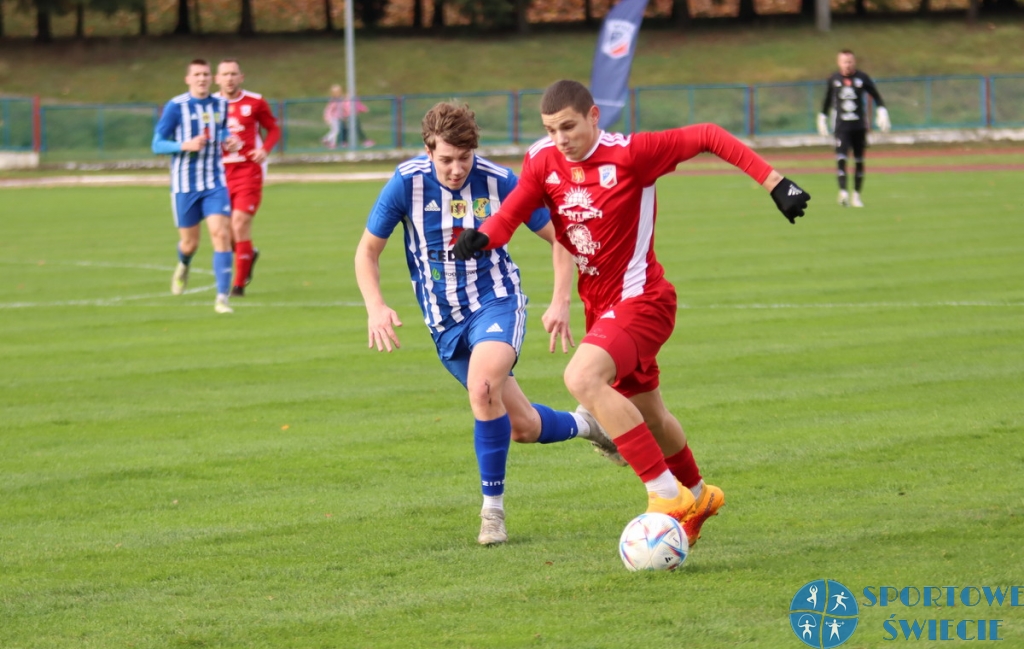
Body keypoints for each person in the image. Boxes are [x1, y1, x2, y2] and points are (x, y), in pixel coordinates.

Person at [453, 79, 811, 548]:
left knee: (582, 378)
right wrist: (484, 236)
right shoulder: (542, 159)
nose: (560, 138)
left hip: (643, 301)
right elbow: (513, 213)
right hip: (601, 308)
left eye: (568, 127)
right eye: (550, 129)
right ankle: (699, 495)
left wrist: (775, 183)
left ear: (594, 116)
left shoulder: (631, 155)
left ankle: (665, 494)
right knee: (652, 415)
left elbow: (707, 134)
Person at [354, 102, 624, 546]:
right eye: (446, 159)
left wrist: (561, 300)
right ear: (428, 150)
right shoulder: (406, 183)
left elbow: (562, 237)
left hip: (496, 301)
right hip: (444, 322)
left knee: (482, 388)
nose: (456, 169)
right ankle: (589, 425)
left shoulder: (499, 181)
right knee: (523, 427)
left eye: (464, 158)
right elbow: (367, 251)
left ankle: (492, 514)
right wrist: (376, 306)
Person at [152, 58, 241, 314]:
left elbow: (221, 131)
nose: (202, 79)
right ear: (188, 79)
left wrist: (230, 140)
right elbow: (157, 144)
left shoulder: (220, 104)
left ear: (211, 78)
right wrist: (184, 145)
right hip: (185, 185)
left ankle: (222, 298)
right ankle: (184, 264)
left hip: (214, 182)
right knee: (190, 244)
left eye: (205, 74)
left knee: (221, 235)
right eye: (197, 75)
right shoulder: (176, 106)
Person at [214, 58, 281, 298]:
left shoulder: (255, 102)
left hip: (248, 171)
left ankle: (238, 286)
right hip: (219, 174)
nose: (229, 78)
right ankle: (248, 255)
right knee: (225, 232)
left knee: (239, 223)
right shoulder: (209, 106)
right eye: (225, 74)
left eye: (233, 74)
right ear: (217, 79)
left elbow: (273, 128)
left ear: (241, 77)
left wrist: (264, 150)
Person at [817, 49, 890, 208]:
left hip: (859, 126)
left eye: (850, 61)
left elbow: (876, 95)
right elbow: (827, 100)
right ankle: (843, 192)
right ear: (839, 63)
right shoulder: (834, 79)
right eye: (844, 62)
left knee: (859, 161)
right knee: (841, 159)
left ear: (854, 62)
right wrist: (822, 117)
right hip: (841, 127)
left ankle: (856, 195)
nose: (847, 65)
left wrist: (882, 110)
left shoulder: (862, 78)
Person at [322, 84, 374, 149]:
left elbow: (356, 105)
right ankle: (327, 139)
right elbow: (329, 109)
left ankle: (335, 143)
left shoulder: (344, 98)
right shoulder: (334, 100)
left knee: (341, 129)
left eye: (339, 91)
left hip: (341, 117)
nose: (338, 93)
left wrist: (363, 109)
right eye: (336, 92)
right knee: (337, 130)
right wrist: (327, 117)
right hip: (335, 117)